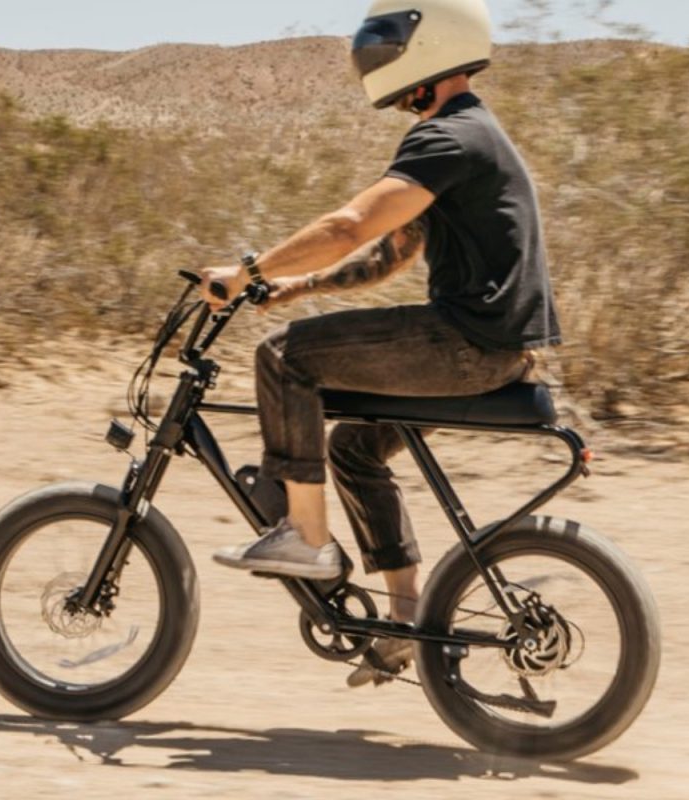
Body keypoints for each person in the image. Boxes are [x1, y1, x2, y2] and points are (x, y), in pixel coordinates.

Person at [204, 0, 561, 686]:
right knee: (354, 447)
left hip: (463, 344)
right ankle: (404, 620)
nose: (375, 52)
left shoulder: (448, 139)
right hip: (491, 345)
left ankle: (306, 539)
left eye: (388, 38)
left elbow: (351, 226)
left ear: (433, 46)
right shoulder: (465, 135)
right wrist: (296, 286)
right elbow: (393, 253)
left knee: (285, 358)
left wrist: (246, 271)